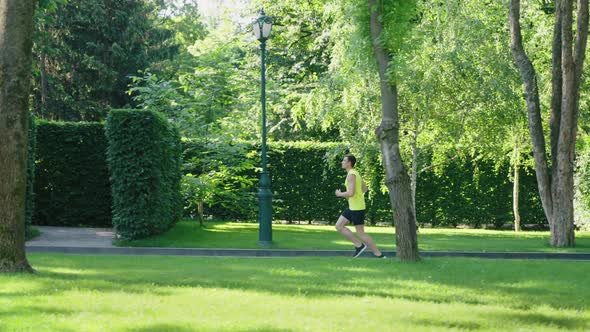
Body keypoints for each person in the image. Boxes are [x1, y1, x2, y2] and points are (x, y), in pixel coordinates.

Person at [335, 154, 386, 258]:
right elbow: (365, 188)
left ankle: (378, 254)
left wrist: (340, 194)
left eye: (344, 161)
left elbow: (351, 193)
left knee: (361, 233)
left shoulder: (351, 175)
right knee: (339, 226)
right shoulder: (355, 173)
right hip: (353, 206)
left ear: (349, 163)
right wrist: (356, 196)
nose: (342, 162)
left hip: (357, 208)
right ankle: (359, 245)